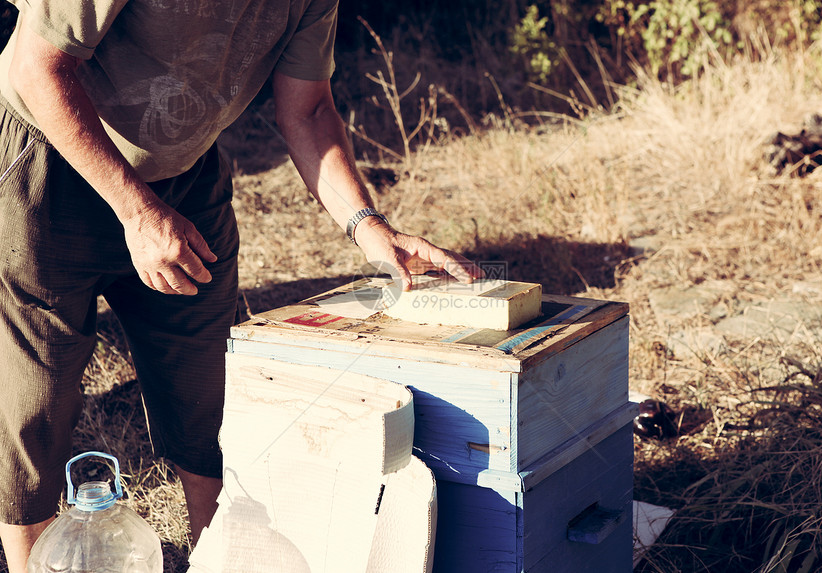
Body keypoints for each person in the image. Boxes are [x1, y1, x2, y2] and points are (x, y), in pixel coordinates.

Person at [0, 1, 482, 570]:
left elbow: (308, 109)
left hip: (185, 174)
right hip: (48, 162)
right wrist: (136, 211)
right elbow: (34, 67)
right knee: (36, 403)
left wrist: (367, 225)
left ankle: (219, 558)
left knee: (213, 400)